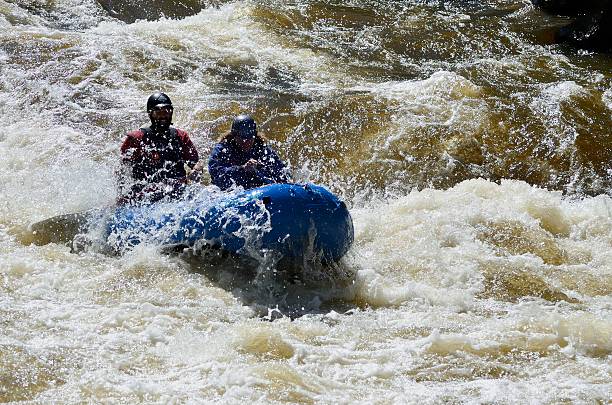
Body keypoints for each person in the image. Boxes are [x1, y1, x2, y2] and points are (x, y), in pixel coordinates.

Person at [117, 91, 203, 205]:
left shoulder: (181, 137)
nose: (163, 116)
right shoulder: (136, 139)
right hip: (145, 195)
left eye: (167, 111)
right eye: (158, 112)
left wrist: (196, 170)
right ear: (150, 114)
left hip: (176, 192)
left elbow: (196, 163)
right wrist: (122, 195)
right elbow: (122, 170)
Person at [208, 114, 290, 190]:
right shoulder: (222, 150)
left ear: (254, 135)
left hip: (259, 191)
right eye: (241, 137)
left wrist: (259, 167)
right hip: (231, 193)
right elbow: (217, 176)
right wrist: (242, 169)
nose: (245, 141)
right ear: (234, 135)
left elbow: (282, 174)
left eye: (249, 137)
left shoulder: (262, 149)